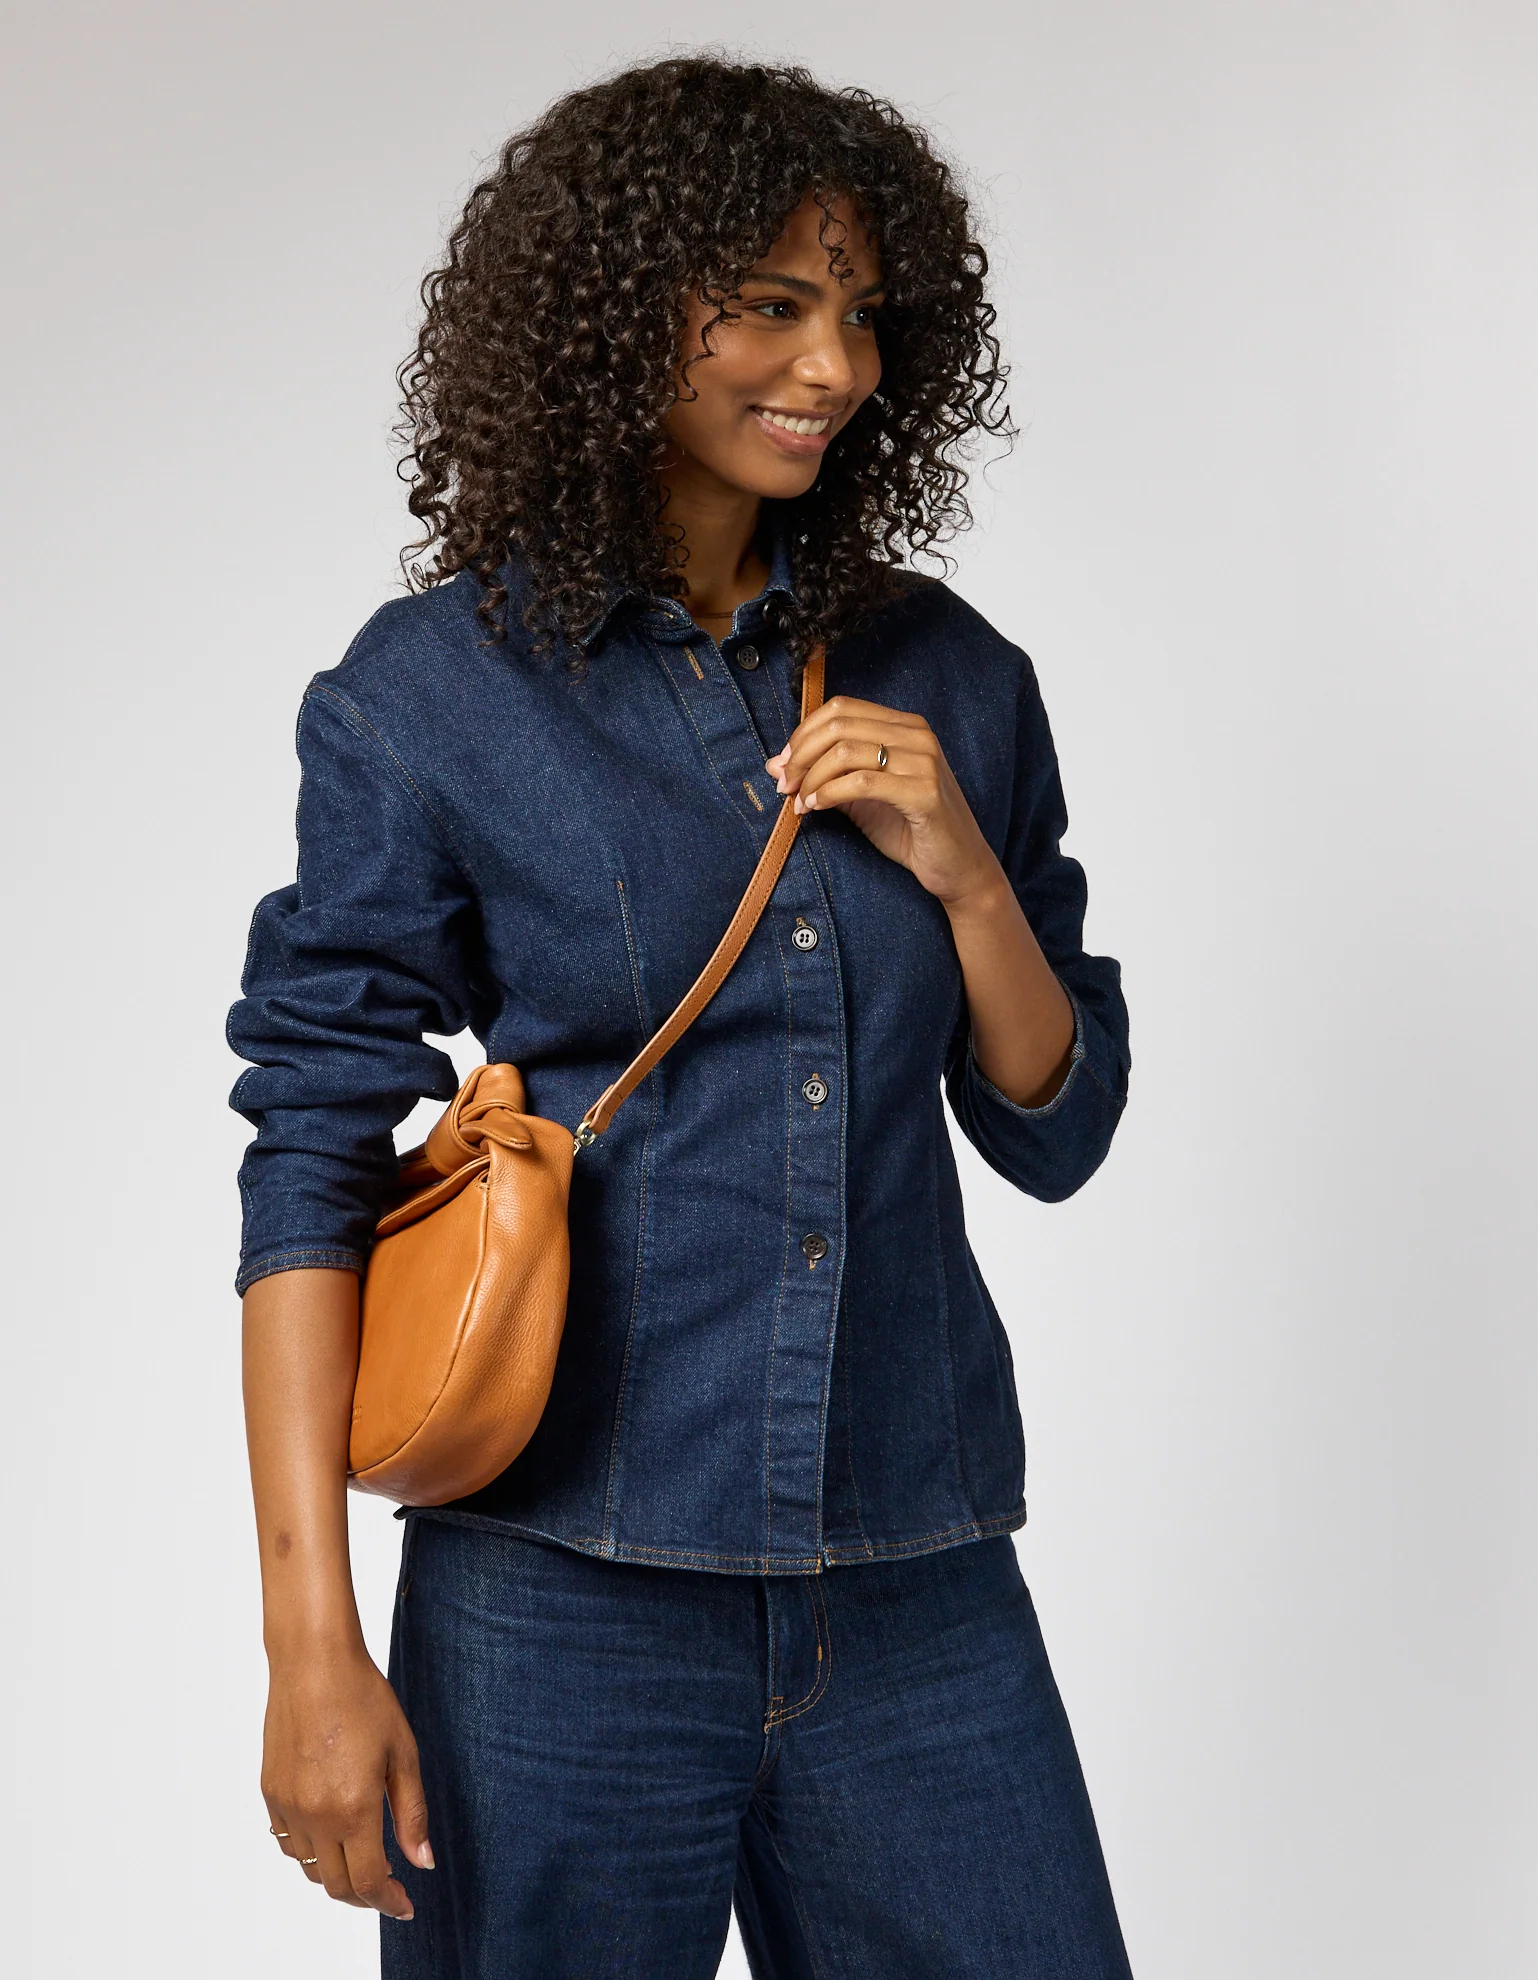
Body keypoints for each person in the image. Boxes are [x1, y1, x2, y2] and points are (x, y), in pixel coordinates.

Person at [229, 54, 1134, 1980]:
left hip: (915, 1573)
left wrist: (963, 870)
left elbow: (1056, 1126)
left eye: (861, 314)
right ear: (616, 315)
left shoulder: (952, 675)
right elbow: (311, 1150)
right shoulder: (435, 694)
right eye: (772, 305)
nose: (832, 366)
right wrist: (313, 1646)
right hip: (559, 1593)